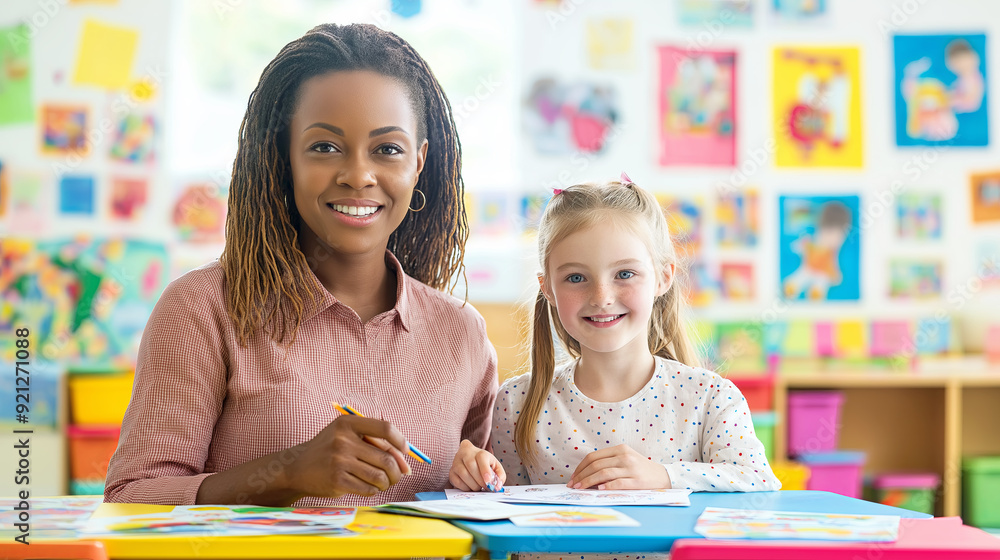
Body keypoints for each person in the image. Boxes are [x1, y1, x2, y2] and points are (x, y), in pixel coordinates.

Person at [105, 23, 498, 507]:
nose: (358, 174)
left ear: (418, 163)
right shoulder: (203, 310)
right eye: (325, 147)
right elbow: (131, 500)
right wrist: (285, 474)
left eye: (387, 149)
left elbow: (495, 506)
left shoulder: (461, 335)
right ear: (284, 157)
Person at [450, 177, 780, 497]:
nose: (602, 296)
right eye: (576, 277)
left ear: (663, 278)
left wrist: (665, 475)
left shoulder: (711, 397)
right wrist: (477, 479)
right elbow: (508, 512)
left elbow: (758, 481)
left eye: (625, 274)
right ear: (548, 287)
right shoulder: (516, 404)